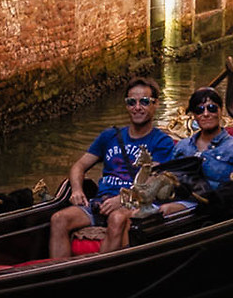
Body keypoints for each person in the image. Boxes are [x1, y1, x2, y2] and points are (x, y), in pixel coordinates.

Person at [50, 72, 179, 260]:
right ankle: (59, 272)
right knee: (59, 219)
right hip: (100, 202)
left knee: (117, 218)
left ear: (156, 104)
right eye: (131, 102)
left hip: (134, 204)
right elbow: (79, 166)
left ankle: (98, 272)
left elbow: (152, 183)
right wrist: (77, 190)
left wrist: (122, 200)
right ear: (126, 105)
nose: (137, 107)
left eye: (144, 102)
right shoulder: (109, 136)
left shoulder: (162, 142)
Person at [174, 87, 233, 204]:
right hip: (179, 200)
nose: (206, 114)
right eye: (199, 110)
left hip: (216, 206)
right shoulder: (182, 147)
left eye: (212, 108)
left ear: (221, 111)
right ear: (194, 116)